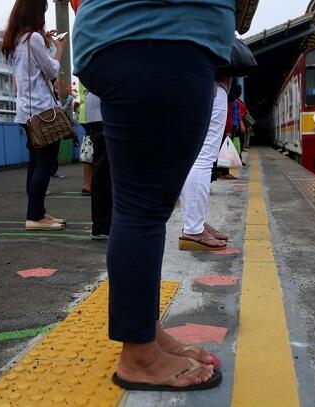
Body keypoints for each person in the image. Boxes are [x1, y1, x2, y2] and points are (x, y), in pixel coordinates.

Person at [74, 0, 234, 391]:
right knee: (143, 207)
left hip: (132, 35)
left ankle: (145, 330)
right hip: (160, 34)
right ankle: (140, 356)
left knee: (141, 206)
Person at [1, 0, 67, 231]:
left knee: (36, 163)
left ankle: (38, 212)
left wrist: (46, 46)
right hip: (42, 111)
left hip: (26, 113)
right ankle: (34, 216)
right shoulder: (33, 38)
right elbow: (50, 71)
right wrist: (58, 48)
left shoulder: (18, 39)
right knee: (46, 164)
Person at [178, 79, 231, 251]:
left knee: (193, 158)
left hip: (194, 84)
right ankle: (193, 229)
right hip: (211, 85)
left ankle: (193, 223)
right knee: (203, 159)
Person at [84, 91, 112, 240]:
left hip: (98, 111)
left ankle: (103, 225)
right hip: (106, 110)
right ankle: (103, 226)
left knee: (103, 169)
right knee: (105, 170)